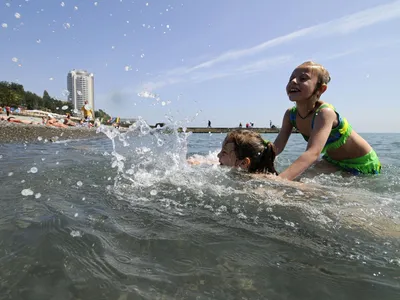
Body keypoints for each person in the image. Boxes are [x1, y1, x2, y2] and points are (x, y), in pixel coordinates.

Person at [273, 61, 381, 180]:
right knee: (301, 179)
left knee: (300, 182)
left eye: (303, 78)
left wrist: (280, 180)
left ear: (320, 89)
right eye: (291, 78)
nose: (293, 81)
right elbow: (277, 146)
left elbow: (312, 153)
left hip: (361, 163)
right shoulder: (290, 115)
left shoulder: (325, 113)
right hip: (332, 161)